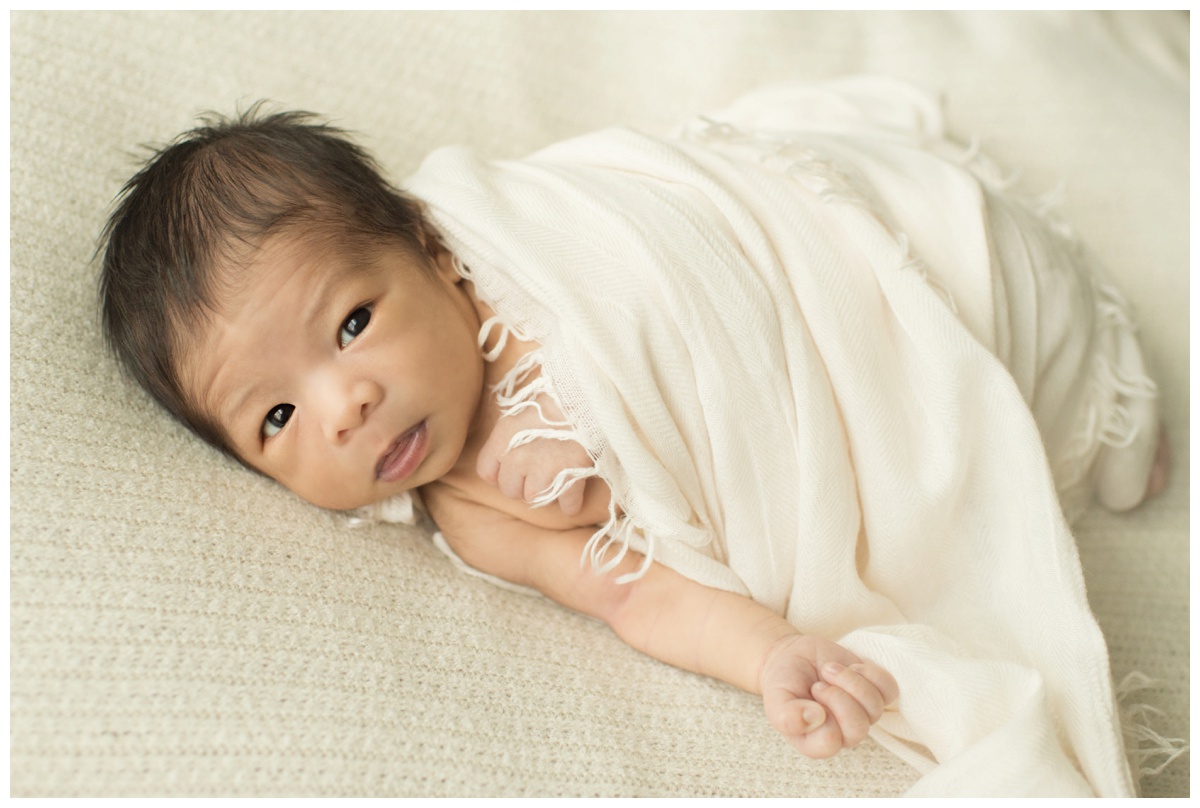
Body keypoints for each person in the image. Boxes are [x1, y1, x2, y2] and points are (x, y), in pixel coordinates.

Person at [97, 81, 1166, 781]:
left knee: (966, 281)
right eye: (276, 417)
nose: (343, 407)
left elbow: (684, 262)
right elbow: (633, 592)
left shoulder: (529, 247)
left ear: (429, 246)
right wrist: (772, 653)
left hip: (822, 275)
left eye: (352, 322)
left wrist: (586, 396)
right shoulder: (475, 520)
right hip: (787, 443)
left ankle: (1093, 376)